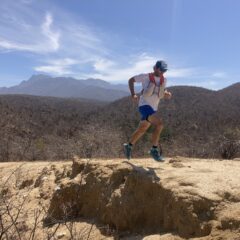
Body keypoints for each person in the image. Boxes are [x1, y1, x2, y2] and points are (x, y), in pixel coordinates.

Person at [123, 60, 172, 161]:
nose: (163, 72)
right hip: (144, 106)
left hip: (153, 108)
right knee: (159, 124)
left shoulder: (164, 80)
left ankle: (128, 146)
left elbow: (162, 90)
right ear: (155, 68)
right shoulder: (145, 76)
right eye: (161, 70)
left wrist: (167, 93)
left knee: (142, 129)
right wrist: (133, 94)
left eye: (164, 71)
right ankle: (154, 150)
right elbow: (131, 80)